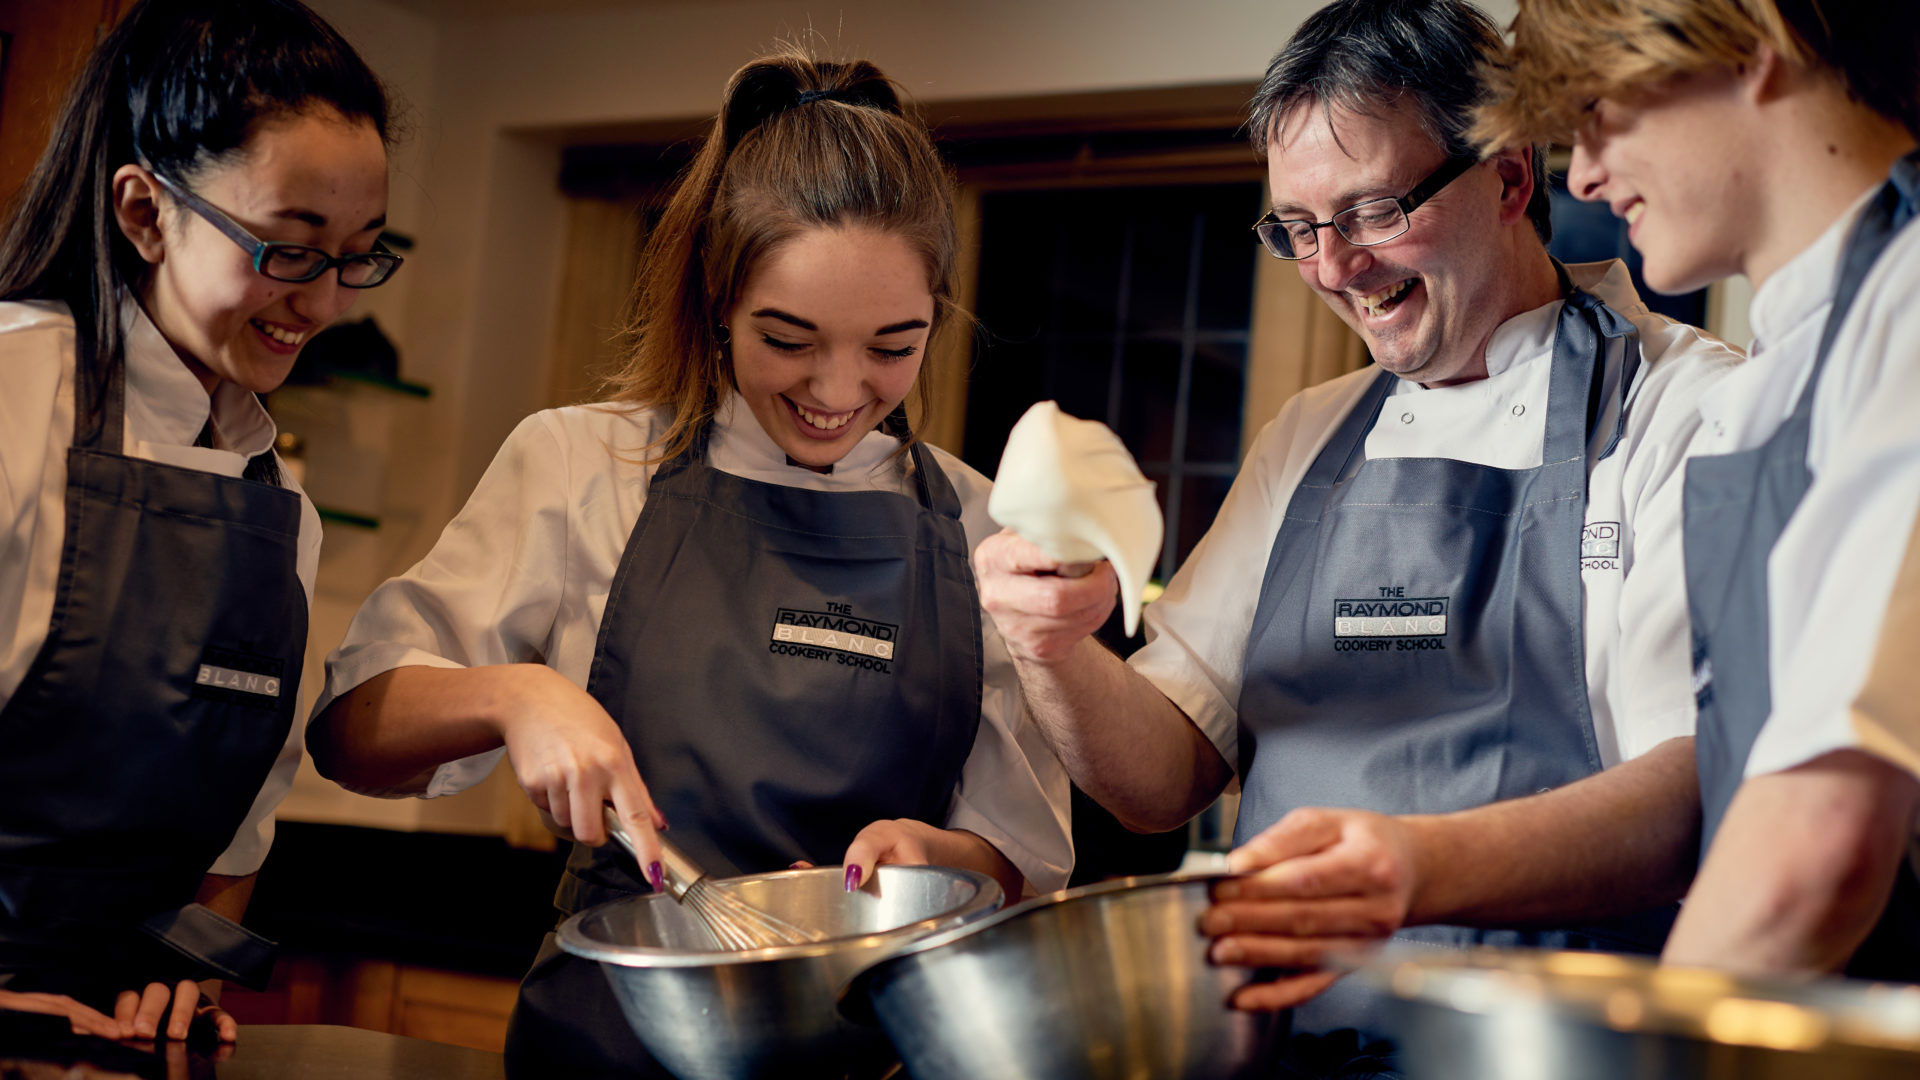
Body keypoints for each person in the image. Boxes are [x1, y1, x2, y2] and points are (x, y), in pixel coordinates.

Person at [972, 0, 1742, 1054]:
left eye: (1374, 210)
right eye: (1297, 228)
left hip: (1547, 1051)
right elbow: (1162, 777)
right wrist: (1054, 646)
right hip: (1283, 1050)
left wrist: (1416, 867)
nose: (1332, 268)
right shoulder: (1307, 440)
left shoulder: (1687, 414)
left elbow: (1696, 795)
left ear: (1510, 178)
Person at [304, 51, 1072, 1076]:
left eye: (894, 345)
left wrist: (938, 864)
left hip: (865, 1043)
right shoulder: (584, 467)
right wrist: (515, 697)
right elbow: (352, 732)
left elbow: (1017, 862)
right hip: (612, 1035)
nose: (838, 391)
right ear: (717, 297)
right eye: (788, 339)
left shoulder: (978, 528)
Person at [1476, 0, 1920, 979]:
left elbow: (1816, 849)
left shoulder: (1909, 313)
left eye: (1597, 108)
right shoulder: (1785, 367)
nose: (1583, 174)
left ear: (1752, 44)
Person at [0, 0, 396, 1044]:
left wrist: (178, 977)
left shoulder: (275, 504)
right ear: (144, 211)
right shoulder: (10, 392)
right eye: (288, 248)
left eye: (359, 253)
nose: (323, 303)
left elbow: (233, 846)